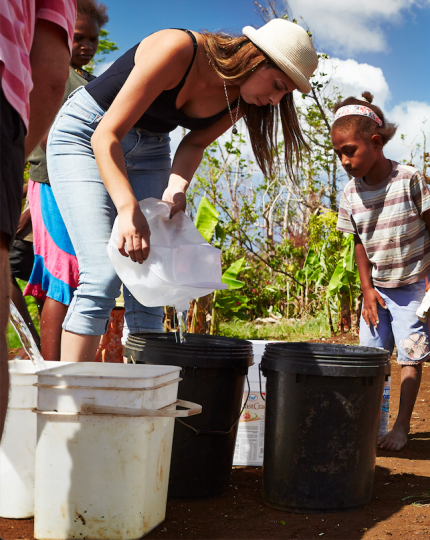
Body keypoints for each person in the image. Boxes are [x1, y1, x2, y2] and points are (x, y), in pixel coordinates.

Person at [47, 18, 317, 361]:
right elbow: (106, 136)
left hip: (151, 150)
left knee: (152, 282)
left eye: (286, 94)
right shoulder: (178, 49)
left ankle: (142, 403)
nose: (277, 100)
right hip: (87, 135)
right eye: (278, 84)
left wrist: (176, 186)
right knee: (102, 276)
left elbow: (195, 143)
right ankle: (71, 406)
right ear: (255, 59)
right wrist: (128, 209)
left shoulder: (242, 99)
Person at [1, 0, 77, 441]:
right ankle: (51, 364)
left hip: (42, 184)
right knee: (59, 282)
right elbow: (48, 78)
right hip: (48, 184)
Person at [333, 92, 430, 452]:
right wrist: (366, 290)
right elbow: (358, 245)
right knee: (370, 361)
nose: (344, 160)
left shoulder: (408, 179)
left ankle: (401, 427)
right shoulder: (349, 194)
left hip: (414, 287)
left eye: (349, 150)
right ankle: (371, 426)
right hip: (377, 291)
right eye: (338, 154)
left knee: (410, 357)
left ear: (376, 142)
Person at [24, 0, 108, 360]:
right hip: (53, 183)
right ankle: (53, 373)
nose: (87, 45)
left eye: (93, 39)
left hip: (82, 187)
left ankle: (68, 369)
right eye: (78, 37)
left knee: (80, 278)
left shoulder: (88, 80)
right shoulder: (51, 73)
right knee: (63, 277)